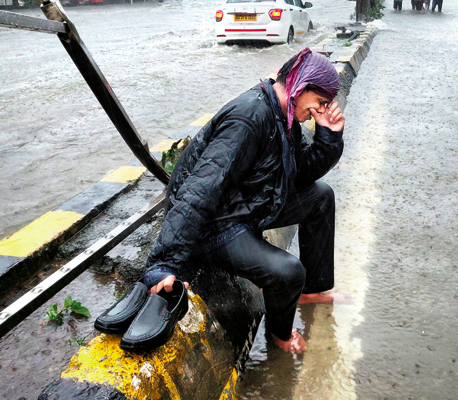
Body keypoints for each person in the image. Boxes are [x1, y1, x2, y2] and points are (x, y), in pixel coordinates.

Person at [114, 48, 345, 353]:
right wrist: (164, 263)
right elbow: (199, 193)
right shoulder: (248, 118)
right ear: (300, 87)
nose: (321, 110)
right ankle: (281, 336)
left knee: (321, 196)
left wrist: (328, 137)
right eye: (321, 102)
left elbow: (300, 173)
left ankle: (310, 291)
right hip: (217, 223)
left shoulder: (284, 113)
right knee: (288, 272)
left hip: (248, 203)